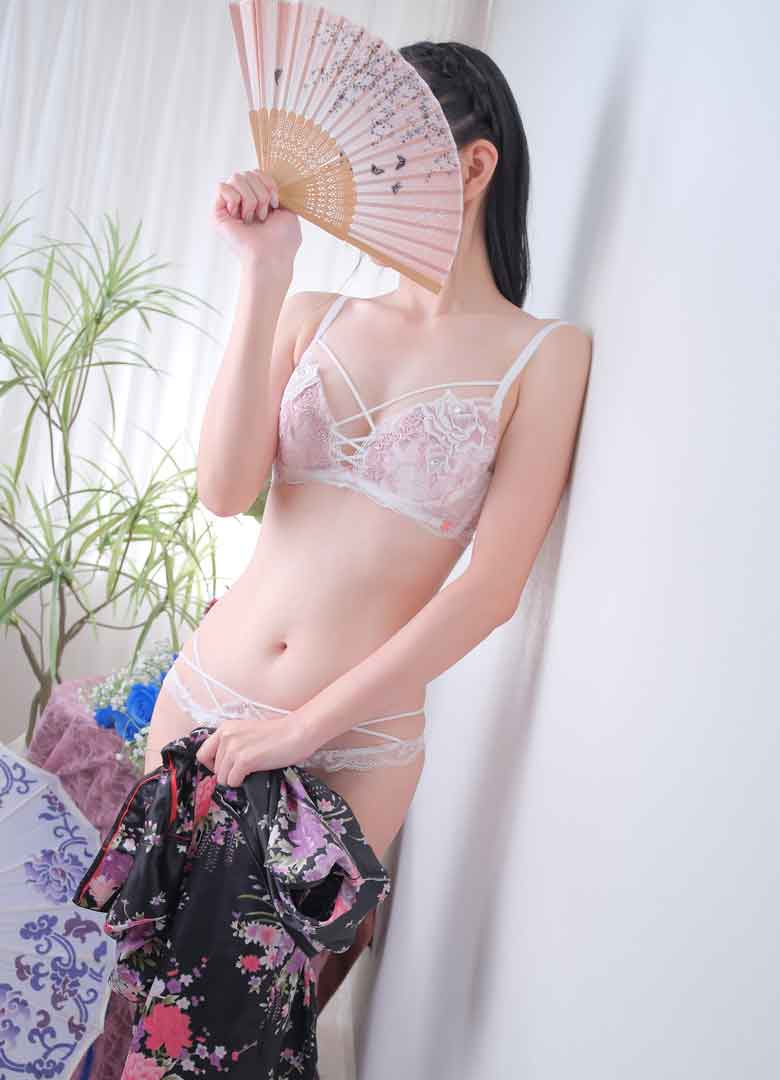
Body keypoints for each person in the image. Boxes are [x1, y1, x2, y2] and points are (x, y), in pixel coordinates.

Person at [144, 38, 591, 987]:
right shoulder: (315, 312)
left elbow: (491, 591)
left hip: (353, 745)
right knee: (152, 999)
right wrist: (265, 271)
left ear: (475, 165)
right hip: (204, 698)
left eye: (388, 160)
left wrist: (300, 730)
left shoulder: (545, 356)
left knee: (243, 1028)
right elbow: (223, 489)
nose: (360, 185)